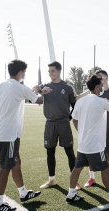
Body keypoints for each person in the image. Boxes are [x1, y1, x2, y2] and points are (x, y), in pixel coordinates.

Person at [0, 59, 50, 211]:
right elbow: (40, 100)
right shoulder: (20, 87)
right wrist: (43, 92)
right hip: (9, 136)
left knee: (16, 162)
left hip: (2, 134)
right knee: (5, 167)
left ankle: (23, 193)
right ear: (21, 72)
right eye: (24, 72)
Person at [66, 74, 109, 204]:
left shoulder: (80, 101)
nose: (102, 87)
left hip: (83, 144)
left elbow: (74, 118)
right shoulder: (101, 101)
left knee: (77, 168)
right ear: (96, 87)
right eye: (100, 85)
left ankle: (71, 194)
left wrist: (81, 131)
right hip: (96, 145)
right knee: (105, 169)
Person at [34, 61, 80, 190]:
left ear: (59, 71)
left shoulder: (67, 87)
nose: (50, 73)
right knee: (50, 152)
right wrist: (40, 91)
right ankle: (51, 179)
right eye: (49, 71)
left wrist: (69, 118)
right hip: (49, 124)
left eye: (53, 71)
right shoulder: (45, 86)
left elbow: (75, 106)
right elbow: (35, 93)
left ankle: (74, 181)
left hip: (64, 124)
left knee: (69, 152)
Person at [77, 70, 109, 188]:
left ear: (106, 79)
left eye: (103, 78)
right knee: (92, 154)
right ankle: (92, 178)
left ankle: (108, 178)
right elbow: (77, 99)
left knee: (108, 154)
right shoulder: (91, 94)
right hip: (94, 132)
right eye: (99, 78)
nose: (101, 80)